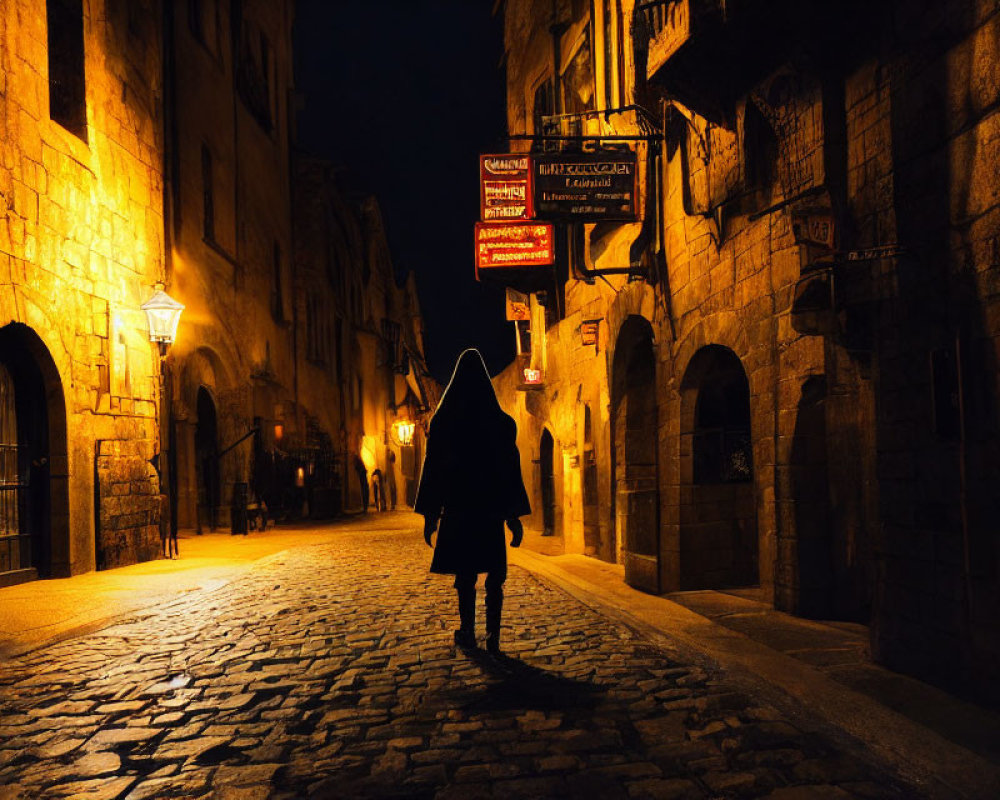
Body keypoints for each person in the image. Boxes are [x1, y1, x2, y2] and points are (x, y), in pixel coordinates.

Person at [415, 348, 530, 655]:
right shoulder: (501, 424)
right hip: (489, 512)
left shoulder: (442, 424)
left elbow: (433, 470)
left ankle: (468, 630)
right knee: (495, 574)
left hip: (459, 511)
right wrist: (513, 517)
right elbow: (509, 471)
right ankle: (493, 636)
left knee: (465, 576)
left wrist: (431, 515)